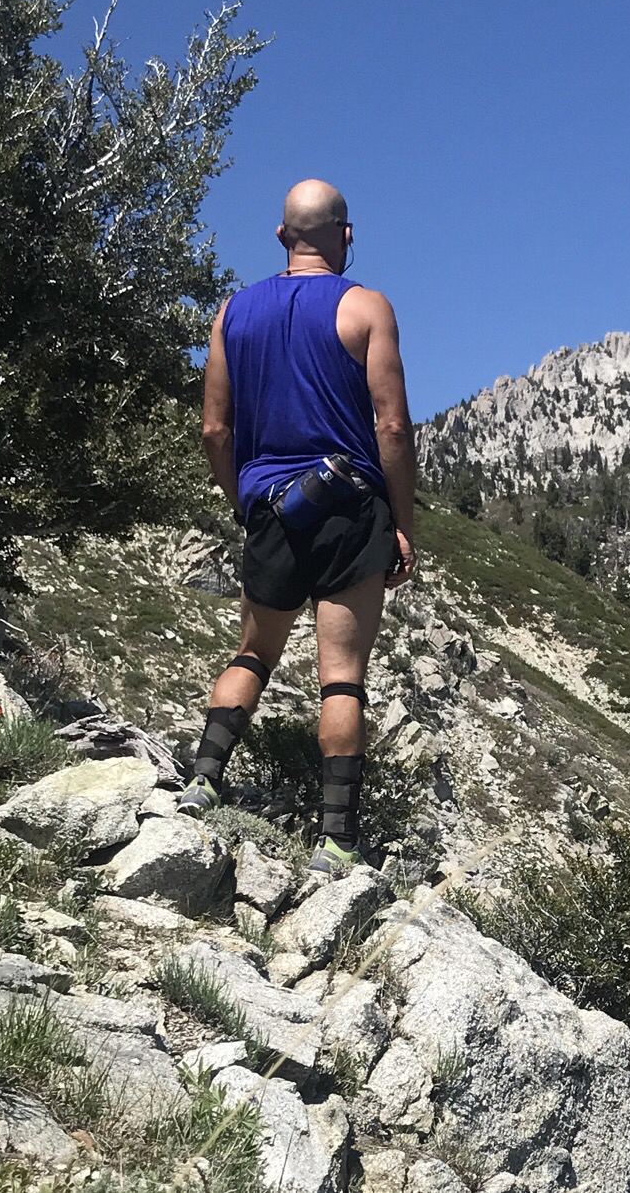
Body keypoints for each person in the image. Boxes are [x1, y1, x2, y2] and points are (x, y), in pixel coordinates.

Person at [181, 179, 417, 875]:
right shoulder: (365, 307)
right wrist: (402, 524)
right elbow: (392, 425)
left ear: (282, 237)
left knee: (253, 653)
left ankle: (202, 781)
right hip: (349, 510)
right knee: (341, 677)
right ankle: (336, 841)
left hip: (271, 510)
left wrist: (244, 501)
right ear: (346, 236)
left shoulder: (233, 313)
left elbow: (215, 429)